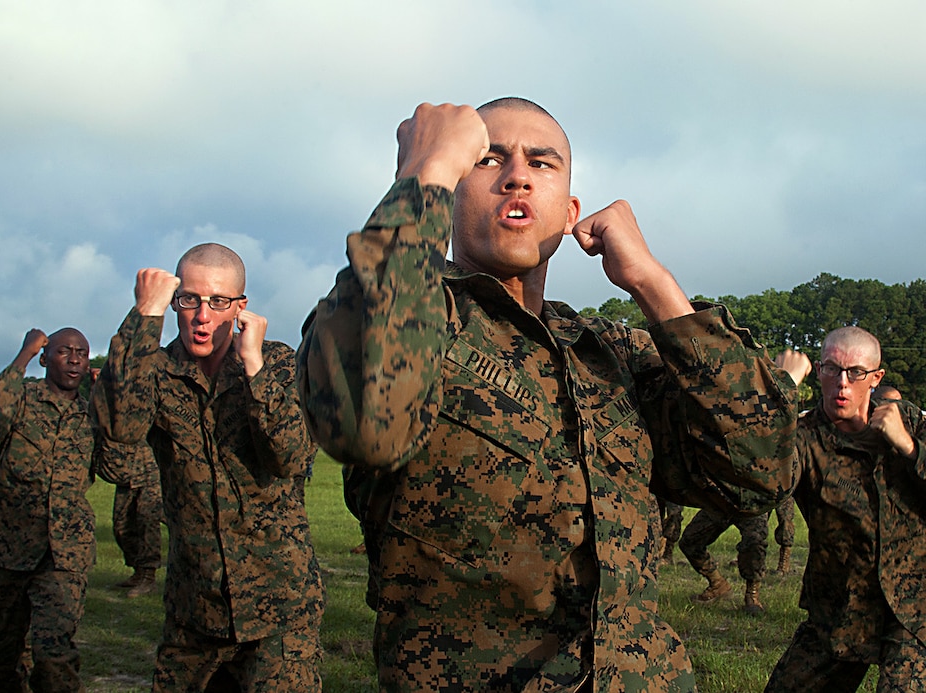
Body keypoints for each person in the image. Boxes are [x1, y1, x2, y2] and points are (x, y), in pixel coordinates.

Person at [296, 99, 799, 691]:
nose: (517, 175)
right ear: (452, 193)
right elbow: (365, 419)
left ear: (570, 212)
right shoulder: (420, 322)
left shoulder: (611, 354)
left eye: (542, 163)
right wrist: (422, 173)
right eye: (487, 159)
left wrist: (655, 285)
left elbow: (760, 470)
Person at [91, 243, 325, 692]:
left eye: (218, 302)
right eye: (189, 299)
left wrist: (253, 365)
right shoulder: (155, 371)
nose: (202, 316)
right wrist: (144, 314)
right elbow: (119, 427)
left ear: (240, 307)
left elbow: (292, 457)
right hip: (196, 607)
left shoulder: (276, 362)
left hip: (280, 606)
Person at [766, 327, 926, 691]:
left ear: (876, 378)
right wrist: (782, 391)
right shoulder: (804, 436)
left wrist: (907, 445)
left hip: (916, 611)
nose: (842, 383)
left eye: (855, 372)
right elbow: (759, 483)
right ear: (818, 371)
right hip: (840, 607)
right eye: (831, 370)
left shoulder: (911, 422)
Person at [0, 327, 96, 692]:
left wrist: (107, 394)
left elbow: (120, 464)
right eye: (63, 351)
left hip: (64, 552)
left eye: (82, 353)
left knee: (54, 658)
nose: (74, 359)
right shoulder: (21, 400)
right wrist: (24, 354)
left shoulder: (91, 415)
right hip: (9, 546)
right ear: (44, 357)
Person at [96, 437, 163, 598]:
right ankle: (138, 571)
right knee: (121, 525)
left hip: (149, 468)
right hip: (127, 471)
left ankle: (148, 576)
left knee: (147, 521)